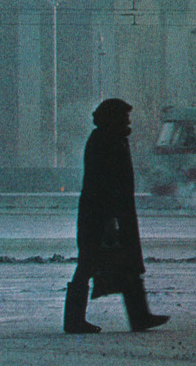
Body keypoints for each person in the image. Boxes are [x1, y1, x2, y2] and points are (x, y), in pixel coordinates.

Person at [63, 98, 169, 335]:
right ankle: (75, 320)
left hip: (109, 214)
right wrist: (111, 219)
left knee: (124, 265)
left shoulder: (111, 138)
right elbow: (103, 182)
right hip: (103, 216)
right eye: (125, 115)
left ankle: (139, 317)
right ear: (115, 117)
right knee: (89, 264)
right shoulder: (105, 140)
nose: (129, 120)